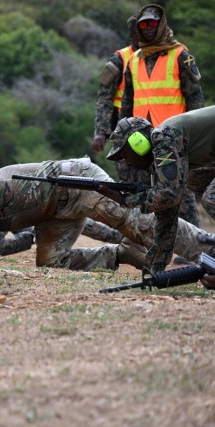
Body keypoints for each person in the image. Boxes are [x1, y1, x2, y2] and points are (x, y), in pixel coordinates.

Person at [0, 158, 215, 270]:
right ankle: (120, 255)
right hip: (53, 212)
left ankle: (207, 248)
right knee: (50, 262)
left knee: (139, 224)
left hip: (76, 184)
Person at [119, 3, 204, 228]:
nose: (147, 28)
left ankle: (194, 242)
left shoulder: (181, 55)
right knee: (147, 190)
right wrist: (121, 137)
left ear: (162, 24)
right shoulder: (134, 60)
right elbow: (127, 103)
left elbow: (195, 98)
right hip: (142, 140)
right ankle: (149, 240)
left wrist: (194, 135)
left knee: (180, 190)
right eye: (143, 24)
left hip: (175, 136)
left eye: (152, 23)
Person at [101, 107, 215, 273]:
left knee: (211, 198)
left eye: (124, 154)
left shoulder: (164, 136)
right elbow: (166, 218)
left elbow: (170, 195)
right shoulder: (163, 160)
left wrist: (126, 200)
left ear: (138, 142)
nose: (125, 162)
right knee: (192, 179)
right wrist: (156, 269)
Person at [91, 15, 150, 188]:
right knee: (127, 178)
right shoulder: (120, 59)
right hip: (123, 127)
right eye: (139, 32)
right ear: (132, 34)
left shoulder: (158, 56)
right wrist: (101, 131)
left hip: (150, 124)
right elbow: (104, 96)